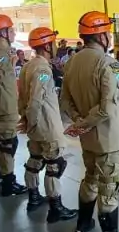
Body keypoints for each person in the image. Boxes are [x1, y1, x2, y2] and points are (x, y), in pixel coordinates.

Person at [60, 10, 119, 232]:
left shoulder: (72, 62)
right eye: (108, 32)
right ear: (101, 36)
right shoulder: (108, 64)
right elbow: (107, 108)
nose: (110, 37)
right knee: (109, 186)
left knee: (90, 178)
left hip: (88, 140)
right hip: (109, 139)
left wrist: (79, 122)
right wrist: (86, 123)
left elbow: (65, 100)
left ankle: (83, 224)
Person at [19, 27, 78, 221]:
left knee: (35, 159)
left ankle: (34, 197)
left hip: (35, 124)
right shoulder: (43, 69)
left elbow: (22, 97)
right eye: (52, 42)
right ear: (46, 46)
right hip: (46, 124)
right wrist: (32, 121)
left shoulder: (28, 66)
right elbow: (35, 99)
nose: (55, 46)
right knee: (55, 163)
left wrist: (26, 119)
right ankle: (56, 208)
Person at [0, 14, 29, 196]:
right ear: (3, 33)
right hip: (5, 105)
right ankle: (9, 182)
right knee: (9, 143)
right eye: (11, 30)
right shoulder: (2, 54)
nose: (14, 33)